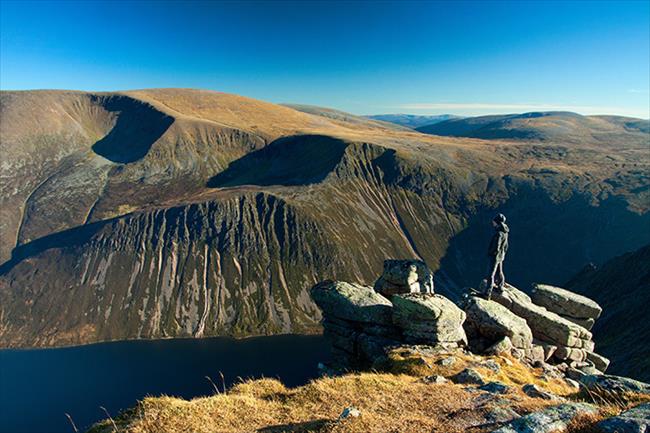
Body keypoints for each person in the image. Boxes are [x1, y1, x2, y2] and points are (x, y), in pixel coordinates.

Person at [486, 213, 509, 300]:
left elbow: (496, 246)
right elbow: (506, 246)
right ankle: (500, 287)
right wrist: (502, 253)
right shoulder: (505, 232)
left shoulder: (499, 233)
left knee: (491, 274)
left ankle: (487, 293)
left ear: (497, 222)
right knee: (500, 272)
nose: (493, 222)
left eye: (494, 221)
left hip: (495, 256)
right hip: (501, 256)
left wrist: (491, 253)